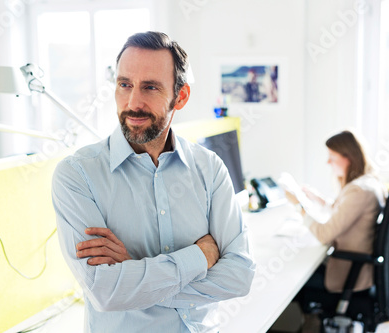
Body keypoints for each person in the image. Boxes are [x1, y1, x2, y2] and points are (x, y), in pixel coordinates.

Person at [51, 31, 255, 333]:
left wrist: (136, 275)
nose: (133, 102)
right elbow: (106, 292)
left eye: (150, 87)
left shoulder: (209, 168)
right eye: (124, 85)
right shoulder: (77, 175)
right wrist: (202, 255)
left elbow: (240, 276)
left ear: (180, 96)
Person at [284, 130, 387, 329]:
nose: (328, 163)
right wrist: (319, 199)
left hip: (348, 276)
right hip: (354, 270)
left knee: (290, 279)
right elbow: (346, 212)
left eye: (332, 157)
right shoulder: (366, 183)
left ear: (349, 157)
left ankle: (309, 325)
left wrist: (299, 206)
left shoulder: (360, 190)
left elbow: (324, 234)